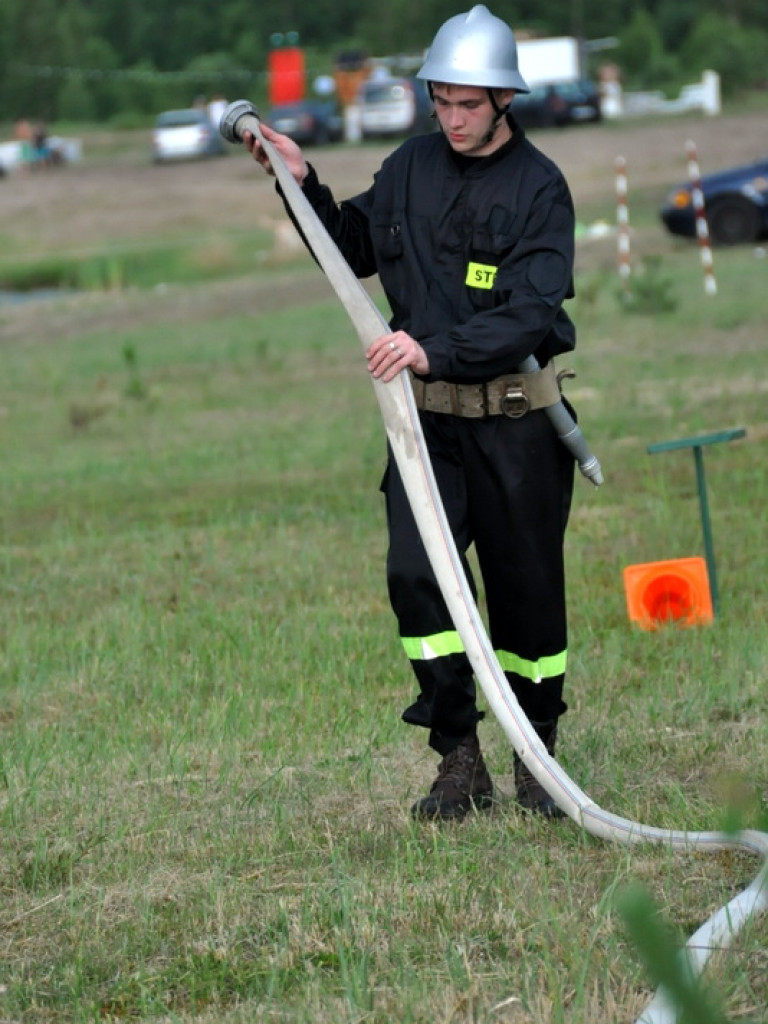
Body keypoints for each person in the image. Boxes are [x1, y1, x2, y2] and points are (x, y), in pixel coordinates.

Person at [244, 4, 579, 822]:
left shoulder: (541, 188)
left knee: (525, 591)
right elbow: (351, 245)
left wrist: (435, 349)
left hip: (516, 424)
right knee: (416, 578)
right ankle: (459, 760)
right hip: (425, 425)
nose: (453, 120)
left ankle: (536, 757)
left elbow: (530, 312)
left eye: (469, 104)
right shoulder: (410, 167)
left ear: (504, 99)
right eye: (441, 102)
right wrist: (300, 181)